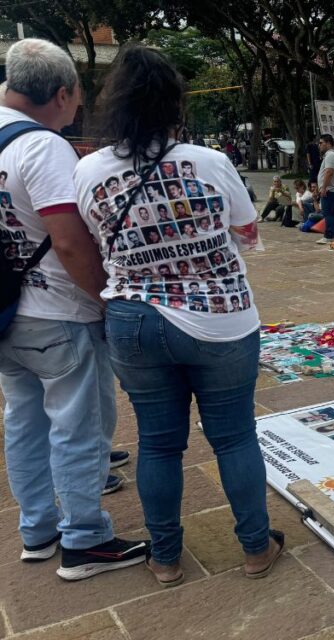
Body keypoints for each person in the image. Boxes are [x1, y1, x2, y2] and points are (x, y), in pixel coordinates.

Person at [73, 44, 282, 587]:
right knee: (234, 437)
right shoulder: (209, 162)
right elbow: (247, 232)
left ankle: (164, 557)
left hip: (133, 322)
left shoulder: (89, 171)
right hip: (220, 319)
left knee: (158, 443)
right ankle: (256, 548)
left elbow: (94, 244)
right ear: (175, 104)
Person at [0, 38, 148, 580]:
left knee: (23, 421)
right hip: (58, 314)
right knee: (79, 426)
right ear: (61, 94)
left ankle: (37, 531)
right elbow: (69, 242)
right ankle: (85, 539)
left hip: (6, 314)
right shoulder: (42, 149)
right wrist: (106, 298)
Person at [316, 133, 334, 245]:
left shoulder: (330, 155)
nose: (319, 145)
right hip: (330, 189)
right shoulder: (330, 155)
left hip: (329, 190)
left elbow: (329, 172)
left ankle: (329, 235)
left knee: (328, 213)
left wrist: (324, 188)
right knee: (333, 212)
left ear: (328, 143)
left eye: (321, 143)